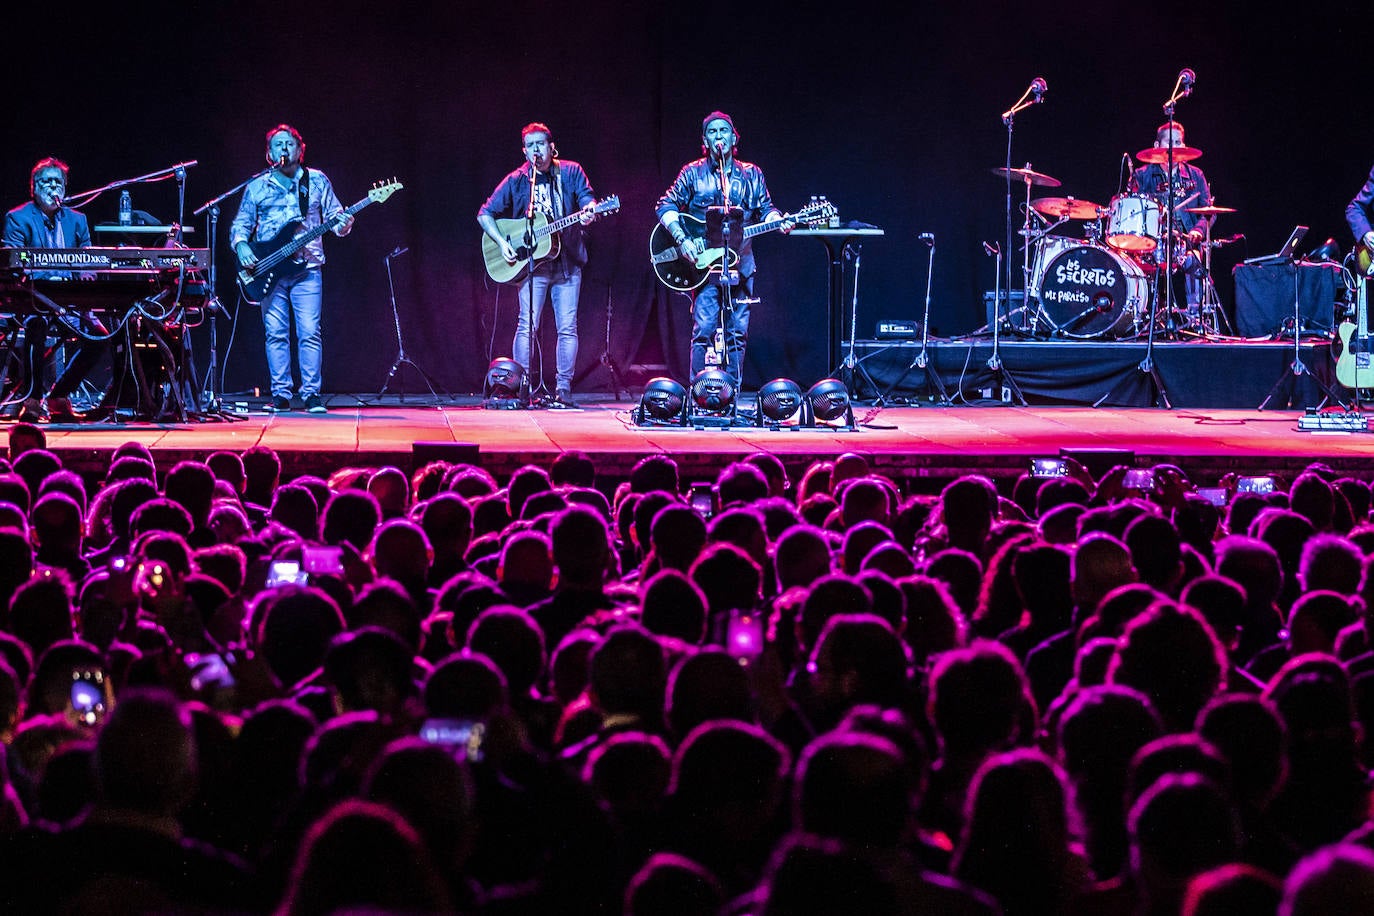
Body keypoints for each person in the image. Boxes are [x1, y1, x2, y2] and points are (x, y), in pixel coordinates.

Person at [656, 111, 790, 391]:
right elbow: (665, 205)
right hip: (705, 268)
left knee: (737, 333)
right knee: (704, 330)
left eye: (724, 131)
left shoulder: (752, 174)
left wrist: (778, 220)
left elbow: (766, 209)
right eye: (713, 132)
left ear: (734, 137)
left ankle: (732, 395)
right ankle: (698, 393)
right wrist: (683, 239)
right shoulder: (692, 172)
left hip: (741, 264)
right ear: (705, 140)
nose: (719, 136)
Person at [231, 124, 353, 414]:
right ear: (269, 153)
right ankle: (281, 395)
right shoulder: (257, 186)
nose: (284, 148)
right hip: (268, 269)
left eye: (290, 144)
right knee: (275, 333)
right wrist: (242, 245)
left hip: (307, 268)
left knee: (309, 332)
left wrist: (344, 223)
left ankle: (311, 394)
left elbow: (336, 218)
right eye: (278, 144)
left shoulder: (317, 180)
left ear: (300, 149)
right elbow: (241, 225)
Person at [478, 122, 598, 406]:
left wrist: (590, 210)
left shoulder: (570, 171)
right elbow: (485, 214)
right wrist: (503, 243)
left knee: (567, 327)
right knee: (526, 325)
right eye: (530, 145)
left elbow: (587, 199)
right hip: (533, 265)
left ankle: (563, 388)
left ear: (551, 146)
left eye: (541, 144)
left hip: (568, 262)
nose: (536, 150)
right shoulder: (518, 179)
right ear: (524, 151)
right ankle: (521, 386)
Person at [2, 158, 111, 423]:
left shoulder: (77, 220)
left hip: (70, 301)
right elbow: (13, 262)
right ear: (34, 187)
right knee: (36, 326)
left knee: (100, 336)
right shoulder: (18, 218)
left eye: (58, 182)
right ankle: (32, 399)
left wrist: (86, 273)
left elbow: (88, 259)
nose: (53, 187)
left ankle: (59, 395)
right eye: (47, 182)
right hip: (33, 300)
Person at [1127, 120, 1213, 325]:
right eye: (1170, 142)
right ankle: (1140, 319)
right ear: (1157, 146)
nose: (1175, 147)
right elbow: (1132, 210)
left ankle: (1195, 319)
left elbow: (1208, 212)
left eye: (1179, 142)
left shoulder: (1195, 175)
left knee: (1195, 260)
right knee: (1132, 264)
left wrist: (1198, 231)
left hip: (1185, 243)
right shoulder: (1142, 175)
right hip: (1151, 244)